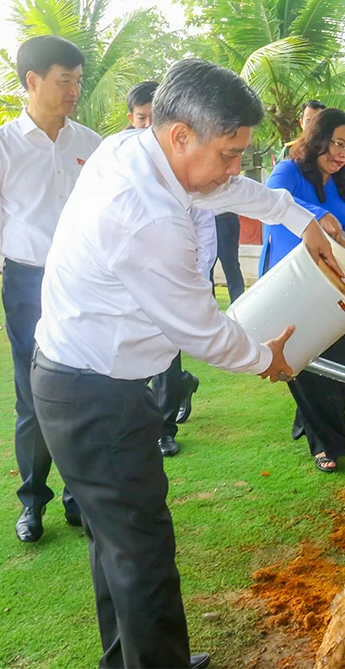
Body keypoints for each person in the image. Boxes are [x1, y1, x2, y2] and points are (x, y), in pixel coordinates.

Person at [30, 59, 341, 669]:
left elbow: (233, 188)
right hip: (92, 394)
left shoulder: (140, 150)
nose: (234, 168)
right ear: (180, 136)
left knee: (117, 542)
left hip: (87, 380)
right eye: (229, 153)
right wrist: (266, 360)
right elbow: (202, 329)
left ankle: (130, 660)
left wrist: (298, 217)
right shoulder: (145, 213)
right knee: (141, 550)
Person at [0, 35, 102, 542]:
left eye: (78, 81)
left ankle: (78, 497)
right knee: (34, 395)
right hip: (27, 285)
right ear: (33, 81)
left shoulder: (92, 145)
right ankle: (33, 500)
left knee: (84, 390)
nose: (74, 91)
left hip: (83, 282)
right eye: (66, 81)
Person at [260, 108, 345, 472]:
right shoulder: (288, 170)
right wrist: (316, 217)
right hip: (293, 285)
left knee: (343, 360)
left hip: (333, 281)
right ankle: (326, 445)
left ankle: (310, 421)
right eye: (337, 143)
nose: (342, 154)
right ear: (317, 138)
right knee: (308, 364)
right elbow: (271, 200)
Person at [127, 80, 209, 455]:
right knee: (134, 357)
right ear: (131, 119)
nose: (147, 126)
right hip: (128, 282)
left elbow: (205, 225)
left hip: (173, 277)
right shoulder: (116, 160)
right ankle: (168, 396)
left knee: (167, 353)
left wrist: (196, 274)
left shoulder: (186, 159)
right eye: (141, 118)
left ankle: (165, 430)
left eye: (152, 118)